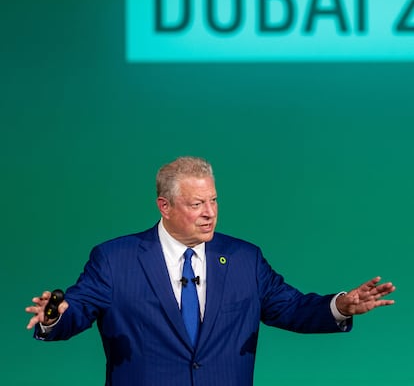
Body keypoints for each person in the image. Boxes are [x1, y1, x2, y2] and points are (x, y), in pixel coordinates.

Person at [26, 156, 395, 386]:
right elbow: (74, 309)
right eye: (197, 203)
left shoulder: (244, 259)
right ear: (164, 206)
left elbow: (292, 308)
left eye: (214, 200)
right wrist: (54, 316)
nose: (210, 212)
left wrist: (342, 305)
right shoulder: (115, 259)